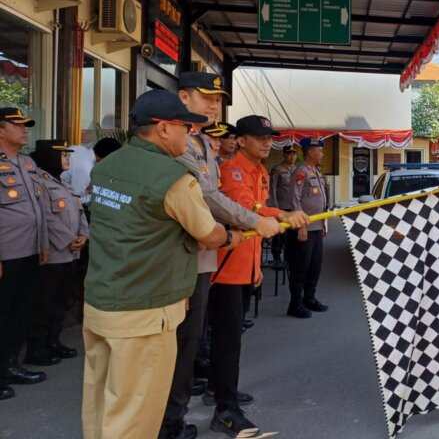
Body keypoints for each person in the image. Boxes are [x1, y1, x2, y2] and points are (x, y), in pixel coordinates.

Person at [81, 90, 233, 439]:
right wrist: (231, 235)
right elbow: (209, 234)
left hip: (101, 303)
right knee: (135, 414)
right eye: (185, 127)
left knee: (100, 403)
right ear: (163, 128)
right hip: (145, 311)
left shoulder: (108, 167)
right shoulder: (174, 178)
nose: (189, 134)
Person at [161, 73, 286, 439]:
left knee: (195, 341)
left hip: (209, 256)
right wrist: (260, 221)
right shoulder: (180, 145)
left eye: (218, 99)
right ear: (183, 97)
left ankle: (187, 414)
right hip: (190, 256)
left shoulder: (199, 144)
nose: (215, 104)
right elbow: (216, 201)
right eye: (206, 97)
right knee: (187, 343)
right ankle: (173, 421)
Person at [215, 115, 308, 437]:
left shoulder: (259, 171)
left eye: (270, 137)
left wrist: (256, 271)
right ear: (241, 140)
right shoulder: (231, 170)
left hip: (245, 266)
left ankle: (224, 391)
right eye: (259, 137)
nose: (268, 142)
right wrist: (282, 214)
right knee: (225, 341)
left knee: (232, 340)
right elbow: (245, 210)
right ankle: (225, 409)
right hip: (225, 268)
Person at [25, 140, 88, 367]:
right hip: (53, 254)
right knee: (45, 302)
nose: (67, 160)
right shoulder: (38, 181)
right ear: (50, 157)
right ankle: (37, 348)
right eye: (63, 156)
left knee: (62, 301)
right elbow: (45, 217)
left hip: (71, 254)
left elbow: (78, 211)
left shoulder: (62, 183)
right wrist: (70, 240)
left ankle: (54, 341)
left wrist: (84, 236)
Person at [0, 107, 48, 401]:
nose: (24, 129)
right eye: (17, 125)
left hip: (29, 251)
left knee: (19, 313)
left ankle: (10, 366)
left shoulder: (28, 163)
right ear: (1, 129)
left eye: (26, 125)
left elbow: (38, 208)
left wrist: (42, 244)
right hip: (6, 254)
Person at [287, 137, 330, 319]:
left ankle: (309, 298)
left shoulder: (316, 171)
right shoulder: (301, 171)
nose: (322, 153)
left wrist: (323, 223)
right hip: (304, 228)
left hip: (317, 227)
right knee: (300, 267)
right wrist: (301, 225)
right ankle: (295, 304)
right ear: (310, 151)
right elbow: (294, 198)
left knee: (315, 266)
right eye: (319, 150)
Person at [269, 145, 299, 267]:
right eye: (289, 153)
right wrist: (274, 208)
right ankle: (276, 258)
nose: (292, 156)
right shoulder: (277, 169)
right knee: (279, 235)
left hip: (294, 207)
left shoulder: (298, 169)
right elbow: (272, 189)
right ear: (284, 155)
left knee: (292, 235)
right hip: (281, 207)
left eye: (294, 154)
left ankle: (289, 258)